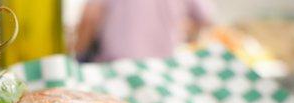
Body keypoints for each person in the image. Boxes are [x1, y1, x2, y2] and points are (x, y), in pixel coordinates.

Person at [74, 0, 214, 62]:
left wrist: (78, 55)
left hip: (114, 67)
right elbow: (206, 19)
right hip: (161, 67)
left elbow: (90, 17)